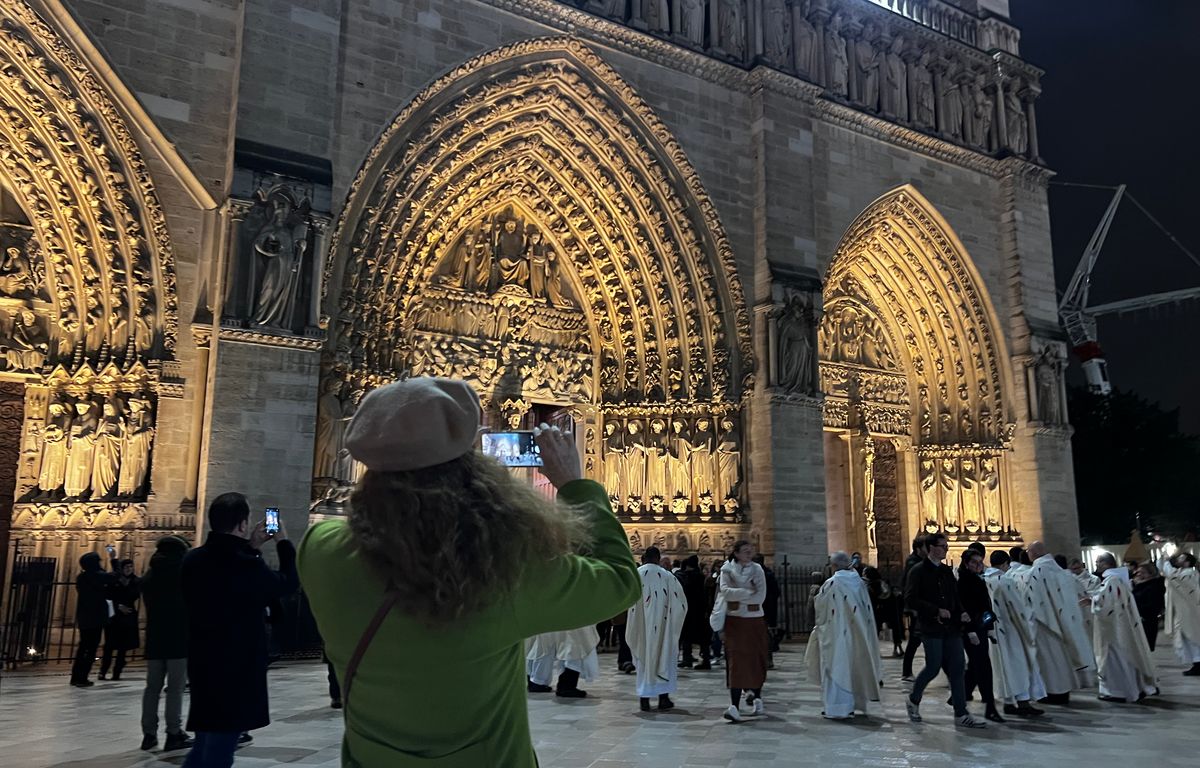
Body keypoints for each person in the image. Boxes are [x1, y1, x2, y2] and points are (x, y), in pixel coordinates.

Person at [297, 377, 640, 766]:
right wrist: (577, 486)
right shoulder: (505, 570)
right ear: (471, 470)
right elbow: (619, 580)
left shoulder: (320, 553)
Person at [182, 492, 298, 768]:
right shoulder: (246, 565)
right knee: (220, 749)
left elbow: (229, 570)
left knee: (203, 743)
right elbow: (288, 583)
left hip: (202, 661)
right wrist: (282, 541)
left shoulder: (192, 560)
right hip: (236, 666)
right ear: (243, 524)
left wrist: (252, 546)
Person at [903, 533, 985, 728]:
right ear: (931, 548)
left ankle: (961, 713)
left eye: (946, 547)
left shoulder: (947, 571)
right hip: (931, 627)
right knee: (933, 666)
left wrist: (962, 613)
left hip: (952, 627)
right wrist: (935, 610)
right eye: (942, 547)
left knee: (957, 668)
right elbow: (910, 599)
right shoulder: (918, 571)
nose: (946, 550)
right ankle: (913, 699)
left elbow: (955, 596)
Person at [806, 551, 882, 719]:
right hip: (858, 632)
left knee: (836, 667)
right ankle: (853, 704)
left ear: (833, 566)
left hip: (835, 634)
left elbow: (822, 609)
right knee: (854, 665)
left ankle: (836, 708)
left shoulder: (832, 583)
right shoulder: (859, 582)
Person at [1024, 541, 1094, 705]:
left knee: (1050, 660)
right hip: (1066, 622)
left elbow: (1031, 600)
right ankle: (1064, 691)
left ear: (1032, 553)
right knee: (1063, 658)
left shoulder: (1036, 571)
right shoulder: (1063, 572)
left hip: (1046, 623)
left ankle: (1054, 692)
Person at [140, 535, 193, 752]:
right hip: (179, 637)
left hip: (154, 637)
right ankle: (173, 732)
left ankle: (148, 734)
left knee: (152, 687)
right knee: (175, 688)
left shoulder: (150, 575)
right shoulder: (184, 574)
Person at [983, 550, 1045, 717]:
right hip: (1010, 630)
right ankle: (1023, 703)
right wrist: (1027, 627)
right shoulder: (1005, 581)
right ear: (1005, 563)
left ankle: (1008, 701)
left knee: (1002, 667)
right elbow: (1018, 609)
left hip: (992, 631)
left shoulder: (983, 580)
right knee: (1019, 665)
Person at [714, 540, 769, 722]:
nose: (749, 553)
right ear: (736, 553)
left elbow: (760, 596)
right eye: (745, 551)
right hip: (734, 621)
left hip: (754, 620)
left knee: (755, 659)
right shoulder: (727, 570)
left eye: (750, 551)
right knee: (735, 662)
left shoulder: (758, 569)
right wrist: (747, 592)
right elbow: (725, 592)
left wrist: (739, 594)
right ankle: (734, 706)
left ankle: (757, 699)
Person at [1091, 553, 1158, 702]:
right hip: (1118, 625)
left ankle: (1119, 692)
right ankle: (1131, 688)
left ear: (1105, 563)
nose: (1096, 565)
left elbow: (1106, 604)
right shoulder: (1118, 580)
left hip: (1114, 629)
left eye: (1098, 562)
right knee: (1124, 658)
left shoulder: (1112, 581)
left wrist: (1092, 601)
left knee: (1117, 660)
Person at [628, 546, 687, 711]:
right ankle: (663, 698)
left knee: (644, 660)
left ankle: (644, 699)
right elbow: (681, 604)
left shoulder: (636, 575)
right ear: (658, 558)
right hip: (663, 628)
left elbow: (628, 601)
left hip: (642, 628)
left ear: (643, 558)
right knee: (664, 658)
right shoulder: (668, 577)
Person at [957, 549, 1003, 722]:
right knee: (983, 667)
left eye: (980, 562)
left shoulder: (976, 579)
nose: (978, 565)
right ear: (966, 563)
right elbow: (965, 609)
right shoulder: (963, 582)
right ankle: (990, 707)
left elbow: (985, 606)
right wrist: (970, 630)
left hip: (981, 628)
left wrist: (988, 626)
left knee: (976, 667)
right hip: (973, 631)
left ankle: (957, 696)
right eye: (974, 562)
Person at [69, 551, 116, 687]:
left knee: (83, 647)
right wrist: (114, 560)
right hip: (95, 617)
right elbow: (115, 576)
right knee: (90, 649)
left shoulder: (82, 577)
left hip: (84, 617)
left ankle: (75, 676)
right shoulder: (96, 576)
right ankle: (82, 678)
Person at [100, 558, 141, 681]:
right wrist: (118, 605)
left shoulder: (135, 581)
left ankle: (117, 672)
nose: (128, 569)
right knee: (109, 646)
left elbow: (135, 594)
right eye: (126, 567)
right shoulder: (114, 579)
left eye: (130, 567)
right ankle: (103, 670)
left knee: (123, 647)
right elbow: (108, 595)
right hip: (114, 615)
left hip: (128, 615)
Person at [1162, 551, 1200, 675]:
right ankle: (1195, 663)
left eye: (1181, 558)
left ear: (1188, 562)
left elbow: (1173, 577)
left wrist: (1167, 562)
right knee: (1186, 637)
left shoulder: (1189, 573)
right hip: (1183, 610)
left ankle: (1198, 663)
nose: (1178, 559)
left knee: (1192, 636)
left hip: (1189, 610)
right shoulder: (1181, 572)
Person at [676, 555, 711, 670]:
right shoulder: (702, 576)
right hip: (701, 610)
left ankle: (687, 658)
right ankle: (706, 659)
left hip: (688, 610)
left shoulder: (687, 577)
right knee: (703, 637)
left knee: (686, 635)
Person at [900, 535, 928, 680]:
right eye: (925, 546)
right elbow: (910, 587)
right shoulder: (914, 563)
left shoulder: (918, 561)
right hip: (917, 608)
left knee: (917, 640)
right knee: (916, 640)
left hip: (920, 607)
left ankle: (907, 671)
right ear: (918, 548)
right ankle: (907, 672)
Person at [1132, 561, 1166, 652]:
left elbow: (1153, 605)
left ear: (1150, 574)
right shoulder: (1140, 585)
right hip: (1139, 619)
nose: (1139, 574)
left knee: (1145, 648)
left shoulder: (1154, 586)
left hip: (1147, 620)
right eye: (1138, 572)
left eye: (1142, 572)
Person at [754, 555, 782, 665]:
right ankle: (767, 657)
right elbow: (777, 592)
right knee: (766, 633)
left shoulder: (758, 574)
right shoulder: (769, 574)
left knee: (761, 634)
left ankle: (764, 657)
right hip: (768, 608)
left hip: (759, 608)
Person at [705, 561, 723, 662]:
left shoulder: (726, 578)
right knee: (715, 632)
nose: (720, 568)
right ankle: (716, 653)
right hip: (714, 607)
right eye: (719, 566)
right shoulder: (711, 579)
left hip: (723, 607)